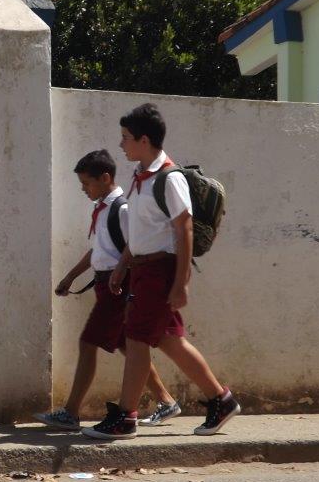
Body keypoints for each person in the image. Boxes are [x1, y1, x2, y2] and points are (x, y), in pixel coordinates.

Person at [82, 104, 240, 440]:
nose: (121, 144)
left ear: (143, 139)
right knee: (170, 341)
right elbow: (141, 231)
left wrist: (182, 282)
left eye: (126, 138)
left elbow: (184, 230)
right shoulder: (141, 178)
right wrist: (124, 264)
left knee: (135, 339)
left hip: (160, 270)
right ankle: (221, 400)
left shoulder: (170, 178)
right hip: (143, 270)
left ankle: (126, 416)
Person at [34, 149, 179, 431]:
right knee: (128, 345)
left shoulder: (121, 209)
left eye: (87, 183)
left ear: (105, 178)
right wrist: (70, 277)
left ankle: (71, 412)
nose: (83, 189)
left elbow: (133, 245)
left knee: (88, 343)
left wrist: (119, 273)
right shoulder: (102, 208)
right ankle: (166, 400)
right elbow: (97, 250)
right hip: (106, 284)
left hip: (117, 287)